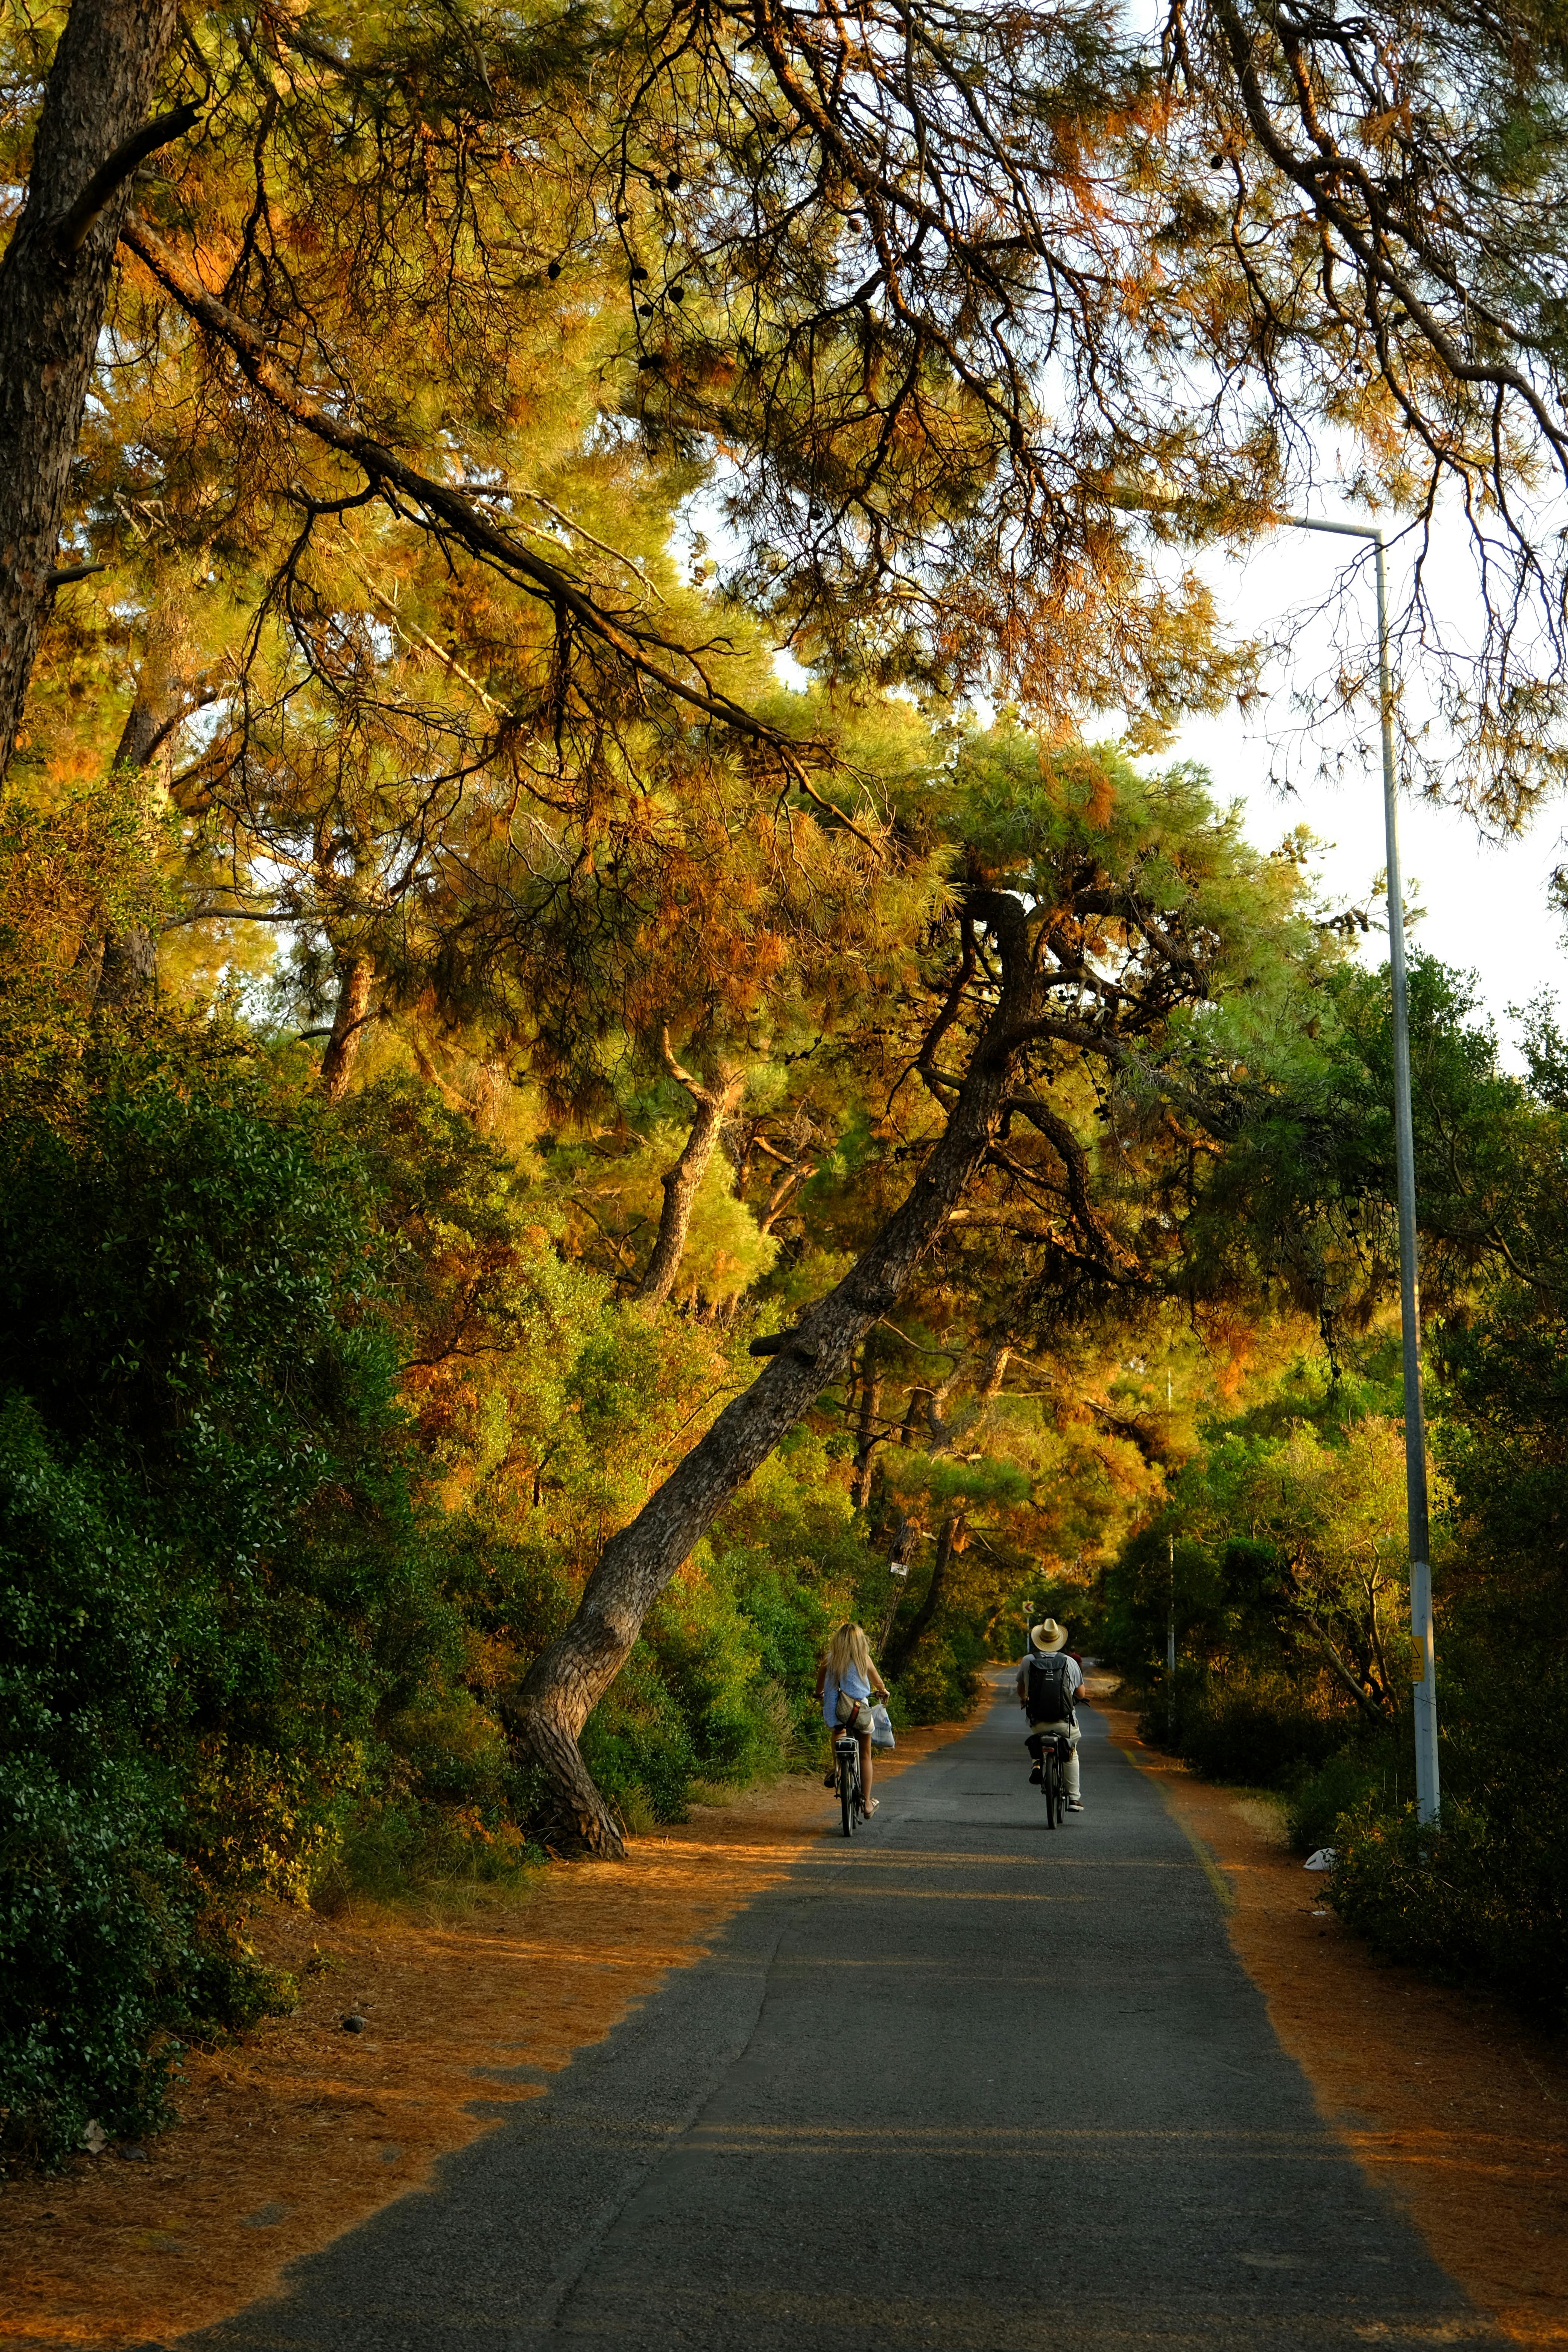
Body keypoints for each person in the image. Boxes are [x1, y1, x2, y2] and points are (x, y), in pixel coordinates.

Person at [815, 1623, 890, 1818]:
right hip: (859, 1713)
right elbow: (878, 1682)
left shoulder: (830, 1660)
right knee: (865, 1755)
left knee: (838, 1734)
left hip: (836, 1712)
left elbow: (820, 1681)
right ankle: (867, 1803)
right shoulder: (863, 1659)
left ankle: (838, 1768)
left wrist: (818, 1694)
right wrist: (883, 1692)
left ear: (838, 1640)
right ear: (860, 1642)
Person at [1017, 1616, 1084, 1813]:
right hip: (1064, 1722)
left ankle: (1037, 1763)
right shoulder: (1070, 1662)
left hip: (1038, 1722)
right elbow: (1081, 1694)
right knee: (1071, 1753)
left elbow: (1022, 1690)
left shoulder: (1028, 1661)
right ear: (1058, 1640)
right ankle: (1073, 1798)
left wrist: (1024, 1700)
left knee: (1038, 1739)